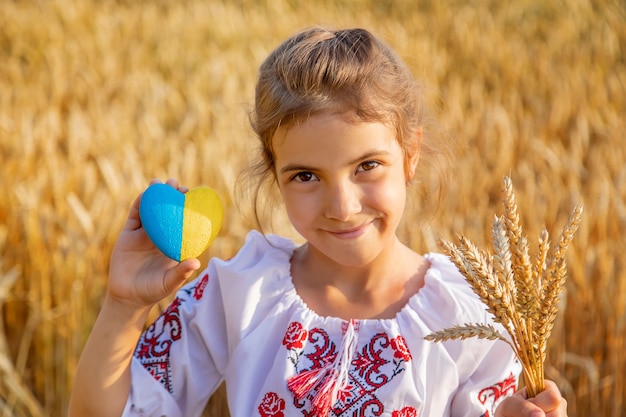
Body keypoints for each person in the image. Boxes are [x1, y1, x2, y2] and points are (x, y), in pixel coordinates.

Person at [69, 27, 568, 417]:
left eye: (367, 166)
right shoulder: (241, 294)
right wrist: (122, 306)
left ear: (410, 155)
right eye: (306, 175)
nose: (342, 206)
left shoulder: (467, 316)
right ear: (275, 174)